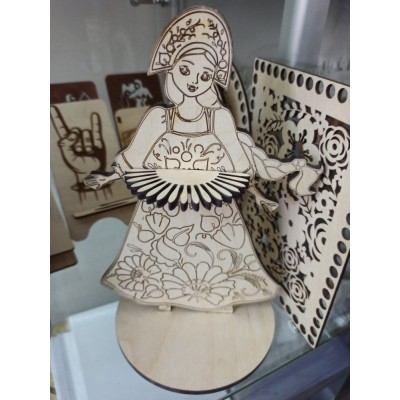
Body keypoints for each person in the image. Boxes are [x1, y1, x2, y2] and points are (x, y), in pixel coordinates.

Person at [85, 7, 321, 310]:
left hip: (214, 206)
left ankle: (216, 298)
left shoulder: (219, 118)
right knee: (162, 259)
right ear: (172, 69)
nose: (194, 81)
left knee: (218, 260)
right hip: (163, 204)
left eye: (204, 75)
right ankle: (164, 296)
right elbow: (134, 155)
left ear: (212, 80)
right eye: (185, 70)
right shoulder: (158, 117)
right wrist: (109, 175)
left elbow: (237, 159)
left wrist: (253, 183)